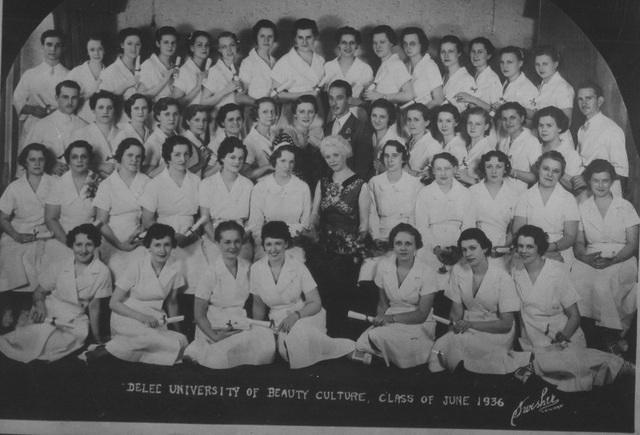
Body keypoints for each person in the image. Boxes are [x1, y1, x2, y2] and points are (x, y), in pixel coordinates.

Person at [511, 224, 633, 392]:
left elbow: (574, 316)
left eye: (529, 246)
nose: (524, 251)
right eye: (520, 246)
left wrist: (560, 340)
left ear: (540, 248)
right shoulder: (515, 270)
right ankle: (603, 366)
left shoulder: (556, 272)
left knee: (565, 373)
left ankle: (618, 365)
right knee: (555, 376)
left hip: (563, 335)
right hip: (533, 339)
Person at [250, 221, 355, 369]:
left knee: (298, 335)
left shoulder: (298, 266)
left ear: (286, 244)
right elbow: (258, 305)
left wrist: (295, 316)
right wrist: (258, 330)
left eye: (278, 244)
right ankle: (341, 350)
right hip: (279, 321)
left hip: (305, 315)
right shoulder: (256, 269)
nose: (273, 249)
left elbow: (316, 303)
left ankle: (347, 349)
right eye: (269, 244)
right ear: (263, 246)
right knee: (285, 353)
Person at [0, 224, 111, 363]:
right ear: (72, 245)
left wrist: (97, 339)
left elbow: (94, 307)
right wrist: (40, 305)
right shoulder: (61, 264)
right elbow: (39, 291)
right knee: (28, 339)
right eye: (79, 244)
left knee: (53, 343)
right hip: (48, 311)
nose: (83, 250)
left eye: (89, 245)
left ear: (95, 246)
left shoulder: (102, 271)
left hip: (75, 320)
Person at [429, 228, 530, 374]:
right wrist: (451, 333)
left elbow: (506, 324)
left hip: (496, 331)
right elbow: (456, 313)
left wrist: (470, 325)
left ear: (485, 248)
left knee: (464, 350)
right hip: (466, 327)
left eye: (473, 248)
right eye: (464, 250)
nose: (468, 254)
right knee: (441, 346)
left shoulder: (502, 277)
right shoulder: (458, 270)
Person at [183, 221, 276, 368]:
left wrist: (257, 328)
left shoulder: (247, 267)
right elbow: (199, 314)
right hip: (214, 326)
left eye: (237, 242)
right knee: (221, 358)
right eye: (227, 242)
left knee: (267, 343)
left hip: (240, 322)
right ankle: (202, 349)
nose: (233, 247)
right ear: (218, 243)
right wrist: (214, 336)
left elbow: (258, 301)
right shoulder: (210, 272)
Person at [570, 160, 638, 354]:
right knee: (576, 279)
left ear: (612, 182)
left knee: (603, 283)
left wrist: (612, 261)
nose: (600, 186)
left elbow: (632, 244)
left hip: (621, 257)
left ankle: (612, 335)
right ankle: (585, 336)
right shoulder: (583, 207)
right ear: (589, 182)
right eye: (596, 181)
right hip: (591, 256)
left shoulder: (625, 206)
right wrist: (585, 259)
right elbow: (579, 244)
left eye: (605, 181)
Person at [311, 136, 370, 337]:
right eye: (327, 157)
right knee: (323, 293)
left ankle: (340, 338)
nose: (332, 160)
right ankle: (323, 337)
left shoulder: (361, 184)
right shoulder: (323, 182)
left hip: (348, 251)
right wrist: (312, 234)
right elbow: (315, 215)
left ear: (345, 153)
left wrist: (354, 245)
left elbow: (364, 225)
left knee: (342, 296)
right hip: (323, 248)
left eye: (336, 155)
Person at [104, 223, 188, 366]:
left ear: (173, 246)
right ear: (149, 246)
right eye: (157, 245)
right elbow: (114, 303)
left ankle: (121, 349)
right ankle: (104, 351)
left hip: (155, 319)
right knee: (153, 340)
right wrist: (142, 317)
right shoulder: (136, 265)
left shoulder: (176, 268)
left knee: (181, 340)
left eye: (167, 245)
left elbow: (172, 302)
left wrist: (176, 328)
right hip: (128, 316)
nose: (162, 250)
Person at [355, 223, 437, 368]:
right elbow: (382, 304)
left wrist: (390, 319)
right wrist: (380, 320)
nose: (403, 248)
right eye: (398, 243)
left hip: (418, 322)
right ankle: (384, 358)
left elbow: (422, 314)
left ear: (416, 246)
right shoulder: (383, 266)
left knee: (381, 338)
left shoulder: (427, 271)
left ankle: (387, 359)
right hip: (390, 318)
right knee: (361, 345)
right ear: (393, 246)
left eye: (408, 244)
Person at [140, 136, 206, 297]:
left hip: (191, 239)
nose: (182, 159)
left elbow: (202, 217)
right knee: (166, 287)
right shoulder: (154, 183)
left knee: (198, 285)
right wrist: (172, 237)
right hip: (163, 241)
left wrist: (191, 236)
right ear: (167, 156)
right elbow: (147, 221)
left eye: (186, 154)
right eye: (177, 154)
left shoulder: (197, 181)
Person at [0, 144, 57, 325]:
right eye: (32, 159)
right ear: (25, 161)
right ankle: (9, 307)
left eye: (41, 159)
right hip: (18, 231)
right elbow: (3, 218)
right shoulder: (15, 186)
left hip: (46, 232)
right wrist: (16, 236)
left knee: (42, 256)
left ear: (46, 161)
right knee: (9, 252)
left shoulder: (55, 182)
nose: (37, 163)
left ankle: (28, 308)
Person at [93, 138, 150, 282]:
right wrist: (120, 244)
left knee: (145, 265)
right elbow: (101, 222)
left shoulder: (146, 181)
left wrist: (140, 235)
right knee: (118, 268)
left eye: (138, 156)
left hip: (137, 238)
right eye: (129, 155)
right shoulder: (107, 185)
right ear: (120, 157)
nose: (134, 160)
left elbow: (148, 218)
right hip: (111, 240)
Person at [415, 152, 474, 289]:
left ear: (454, 169)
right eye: (439, 169)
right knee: (430, 286)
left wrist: (459, 249)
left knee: (456, 287)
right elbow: (421, 226)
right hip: (430, 245)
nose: (443, 173)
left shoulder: (465, 194)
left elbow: (469, 226)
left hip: (458, 245)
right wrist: (436, 249)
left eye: (447, 169)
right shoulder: (425, 193)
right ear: (433, 171)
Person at [512, 151, 579, 265]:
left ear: (561, 175)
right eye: (546, 169)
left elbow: (570, 236)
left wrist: (550, 248)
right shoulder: (525, 196)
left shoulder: (568, 198)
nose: (550, 174)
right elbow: (517, 231)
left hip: (559, 251)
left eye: (555, 171)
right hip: (528, 251)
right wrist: (539, 252)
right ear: (538, 169)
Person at [248, 142, 311, 254]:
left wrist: (291, 241)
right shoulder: (261, 187)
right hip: (266, 246)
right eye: (283, 161)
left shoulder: (303, 187)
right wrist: (268, 244)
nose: (287, 166)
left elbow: (305, 223)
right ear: (274, 161)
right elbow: (255, 225)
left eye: (291, 162)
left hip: (294, 246)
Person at [200, 138, 254, 263]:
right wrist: (218, 241)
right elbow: (205, 220)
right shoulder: (207, 184)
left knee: (241, 266)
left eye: (241, 158)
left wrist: (239, 241)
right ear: (223, 158)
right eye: (232, 157)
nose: (237, 162)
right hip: (214, 238)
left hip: (241, 240)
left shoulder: (248, 185)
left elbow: (252, 221)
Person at [13, 29, 69, 147]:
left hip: (59, 126)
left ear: (63, 48)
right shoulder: (30, 74)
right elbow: (17, 99)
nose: (53, 49)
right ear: (42, 46)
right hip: (34, 124)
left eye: (57, 45)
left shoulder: (69, 75)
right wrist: (33, 110)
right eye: (49, 44)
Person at [576, 81, 628, 196]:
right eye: (580, 99)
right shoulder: (581, 129)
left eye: (588, 98)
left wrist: (587, 177)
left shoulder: (611, 130)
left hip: (607, 192)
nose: (584, 103)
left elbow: (621, 171)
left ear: (600, 101)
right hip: (585, 190)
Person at [25, 80, 87, 175]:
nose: (70, 102)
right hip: (48, 179)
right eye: (65, 97)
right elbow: (26, 157)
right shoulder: (42, 125)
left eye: (74, 98)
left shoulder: (84, 126)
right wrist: (49, 166)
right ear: (57, 98)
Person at [469, 151, 519, 267]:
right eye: (489, 166)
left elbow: (513, 229)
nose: (494, 171)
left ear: (505, 169)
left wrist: (504, 247)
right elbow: (469, 224)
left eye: (499, 166)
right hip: (476, 248)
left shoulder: (514, 194)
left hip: (503, 249)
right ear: (483, 168)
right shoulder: (473, 191)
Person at [44, 141, 98, 248]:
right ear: (68, 160)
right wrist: (68, 243)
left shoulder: (99, 182)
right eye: (74, 157)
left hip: (92, 238)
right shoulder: (59, 184)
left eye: (84, 156)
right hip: (63, 237)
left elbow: (102, 218)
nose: (79, 160)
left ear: (90, 159)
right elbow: (50, 218)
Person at [368, 141, 422, 243]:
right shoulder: (375, 182)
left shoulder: (415, 183)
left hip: (408, 236)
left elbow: (418, 217)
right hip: (383, 236)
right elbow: (372, 214)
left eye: (395, 156)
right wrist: (376, 238)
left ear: (403, 159)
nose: (390, 160)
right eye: (386, 156)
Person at [323, 80, 374, 180]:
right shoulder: (327, 128)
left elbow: (362, 169)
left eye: (339, 98)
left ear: (349, 100)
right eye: (331, 98)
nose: (334, 103)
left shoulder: (361, 129)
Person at [271, 18, 324, 102]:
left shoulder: (321, 60)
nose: (304, 42)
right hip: (292, 110)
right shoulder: (284, 62)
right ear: (295, 39)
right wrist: (306, 94)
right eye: (300, 37)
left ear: (315, 37)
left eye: (308, 37)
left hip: (317, 108)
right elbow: (275, 95)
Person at [71, 90, 122, 178]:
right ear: (93, 110)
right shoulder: (80, 134)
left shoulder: (123, 133)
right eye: (101, 107)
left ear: (114, 110)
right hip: (91, 182)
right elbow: (72, 164)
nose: (105, 111)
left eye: (109, 108)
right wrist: (100, 166)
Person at [532, 45, 575, 148]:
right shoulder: (542, 85)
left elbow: (566, 122)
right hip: (544, 139)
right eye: (537, 64)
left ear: (555, 64)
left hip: (559, 142)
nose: (540, 68)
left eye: (545, 64)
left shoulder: (563, 87)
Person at [534, 106, 582, 194]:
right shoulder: (535, 148)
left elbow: (574, 187)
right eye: (541, 125)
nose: (544, 130)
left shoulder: (570, 154)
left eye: (549, 125)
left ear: (559, 128)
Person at [280, 95, 325, 189]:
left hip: (316, 185)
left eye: (310, 112)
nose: (306, 116)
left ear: (315, 114)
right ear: (295, 114)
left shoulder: (317, 133)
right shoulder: (288, 134)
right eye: (301, 112)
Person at [322, 27, 374, 106]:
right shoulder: (328, 66)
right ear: (338, 44)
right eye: (344, 42)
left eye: (352, 43)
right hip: (332, 113)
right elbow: (323, 96)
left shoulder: (365, 69)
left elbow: (368, 101)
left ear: (357, 45)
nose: (348, 46)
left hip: (357, 113)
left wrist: (355, 101)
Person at [496, 102, 541, 192]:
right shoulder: (503, 140)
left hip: (519, 194)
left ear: (522, 118)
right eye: (504, 119)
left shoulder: (532, 141)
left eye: (512, 118)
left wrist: (511, 172)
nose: (508, 122)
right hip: (500, 190)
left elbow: (537, 177)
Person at [202, 31, 253, 109]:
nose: (229, 50)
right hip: (222, 116)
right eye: (224, 47)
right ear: (219, 49)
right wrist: (226, 90)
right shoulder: (214, 71)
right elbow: (203, 102)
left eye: (232, 45)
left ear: (237, 46)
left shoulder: (240, 68)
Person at [363, 25, 412, 104]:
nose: (378, 46)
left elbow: (409, 95)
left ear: (391, 43)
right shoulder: (385, 64)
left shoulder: (396, 64)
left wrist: (381, 96)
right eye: (375, 43)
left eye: (382, 42)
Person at [453, 37, 502, 111]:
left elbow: (496, 111)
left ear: (488, 55)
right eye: (473, 51)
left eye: (480, 52)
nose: (475, 55)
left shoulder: (493, 78)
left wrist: (472, 99)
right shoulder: (470, 74)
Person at [65, 34, 105, 123]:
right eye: (92, 50)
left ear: (104, 50)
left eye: (100, 49)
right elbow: (66, 101)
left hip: (104, 123)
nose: (96, 53)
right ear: (87, 51)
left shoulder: (110, 72)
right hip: (81, 121)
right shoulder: (76, 73)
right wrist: (90, 93)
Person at [400, 27, 444, 108]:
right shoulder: (404, 66)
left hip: (422, 115)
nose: (408, 47)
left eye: (412, 43)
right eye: (405, 44)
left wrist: (421, 112)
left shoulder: (430, 65)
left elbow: (439, 99)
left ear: (421, 44)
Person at [455, 107, 496, 185]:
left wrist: (469, 179)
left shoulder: (488, 151)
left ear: (486, 127)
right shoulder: (464, 145)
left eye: (478, 124)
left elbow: (493, 183)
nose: (472, 127)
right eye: (470, 123)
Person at [139, 26, 180, 102]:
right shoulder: (148, 64)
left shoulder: (175, 66)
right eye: (166, 42)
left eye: (173, 43)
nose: (170, 46)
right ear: (158, 44)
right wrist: (165, 79)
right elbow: (141, 97)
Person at [99, 28, 142, 100]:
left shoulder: (145, 67)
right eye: (129, 44)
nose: (133, 48)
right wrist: (125, 86)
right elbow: (103, 101)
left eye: (137, 44)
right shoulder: (108, 72)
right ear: (122, 45)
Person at [239, 20, 278, 100]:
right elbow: (240, 96)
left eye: (270, 36)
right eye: (262, 36)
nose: (266, 40)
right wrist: (258, 105)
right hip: (255, 108)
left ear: (274, 38)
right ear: (256, 37)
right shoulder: (248, 62)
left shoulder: (276, 61)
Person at [243, 97, 278, 181]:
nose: (270, 115)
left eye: (272, 111)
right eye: (265, 112)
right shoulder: (249, 141)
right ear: (256, 115)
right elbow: (245, 173)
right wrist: (268, 167)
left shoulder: (275, 133)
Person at [496, 46, 537, 117]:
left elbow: (534, 115)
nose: (505, 66)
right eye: (502, 62)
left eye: (509, 62)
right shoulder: (507, 82)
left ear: (520, 63)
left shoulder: (528, 87)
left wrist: (506, 107)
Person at [143, 97, 179, 176]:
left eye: (175, 114)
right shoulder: (153, 143)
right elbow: (146, 177)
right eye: (167, 114)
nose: (172, 118)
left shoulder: (178, 137)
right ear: (158, 116)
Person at [173, 31, 211, 105]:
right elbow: (176, 103)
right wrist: (198, 87)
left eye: (207, 45)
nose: (204, 48)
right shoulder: (184, 71)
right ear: (192, 48)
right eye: (199, 45)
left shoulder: (207, 68)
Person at [403, 103, 440, 177]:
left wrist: (409, 171)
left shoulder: (433, 146)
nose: (411, 124)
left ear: (426, 122)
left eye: (416, 120)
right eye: (409, 119)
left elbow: (436, 175)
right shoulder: (408, 141)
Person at [439, 35, 475, 113]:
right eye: (443, 52)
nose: (446, 55)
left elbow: (473, 109)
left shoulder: (467, 79)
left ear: (459, 53)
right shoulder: (444, 76)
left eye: (450, 51)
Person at [369, 98, 404, 174]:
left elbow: (400, 174)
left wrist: (383, 169)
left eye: (382, 117)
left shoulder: (397, 141)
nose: (377, 120)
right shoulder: (370, 135)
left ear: (389, 118)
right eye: (374, 115)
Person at [180, 104, 215, 177]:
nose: (201, 124)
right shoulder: (183, 142)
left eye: (204, 120)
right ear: (188, 121)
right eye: (197, 120)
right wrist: (201, 163)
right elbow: (180, 174)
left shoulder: (199, 141)